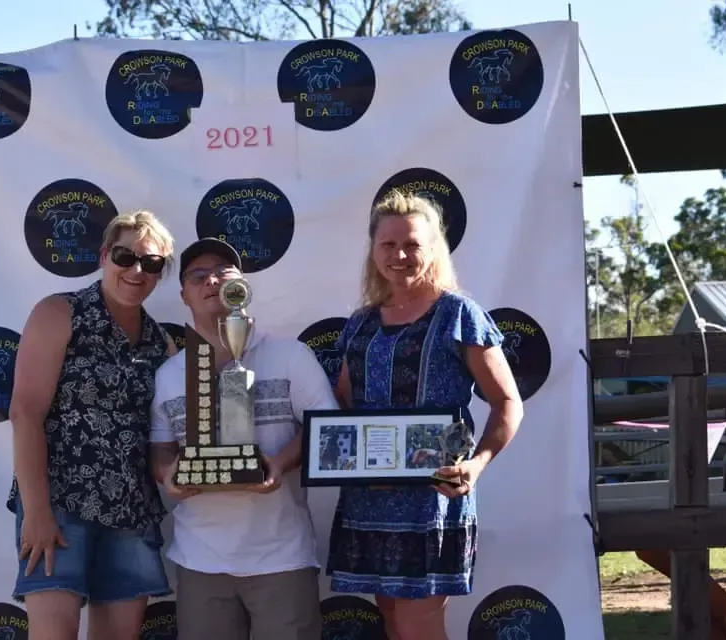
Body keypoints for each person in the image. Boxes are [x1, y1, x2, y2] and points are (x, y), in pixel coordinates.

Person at [325, 190, 525, 640]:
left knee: (419, 626)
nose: (399, 255)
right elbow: (343, 406)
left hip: (433, 495)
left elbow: (508, 402)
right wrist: (347, 463)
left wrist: (475, 465)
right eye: (388, 245)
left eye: (412, 244)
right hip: (369, 497)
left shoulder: (459, 314)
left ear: (433, 248)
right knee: (394, 624)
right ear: (373, 250)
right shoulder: (359, 324)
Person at [150, 237, 336, 640]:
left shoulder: (291, 356)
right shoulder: (170, 374)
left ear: (243, 286)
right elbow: (161, 449)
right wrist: (170, 475)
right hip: (200, 559)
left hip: (281, 558)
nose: (211, 280)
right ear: (184, 295)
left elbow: (326, 428)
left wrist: (279, 463)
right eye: (198, 275)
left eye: (223, 271)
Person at [7, 210, 179, 640]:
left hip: (132, 511)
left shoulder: (164, 343)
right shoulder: (59, 313)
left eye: (152, 263)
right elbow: (25, 412)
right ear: (104, 255)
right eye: (126, 256)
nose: (137, 270)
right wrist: (37, 511)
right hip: (60, 503)